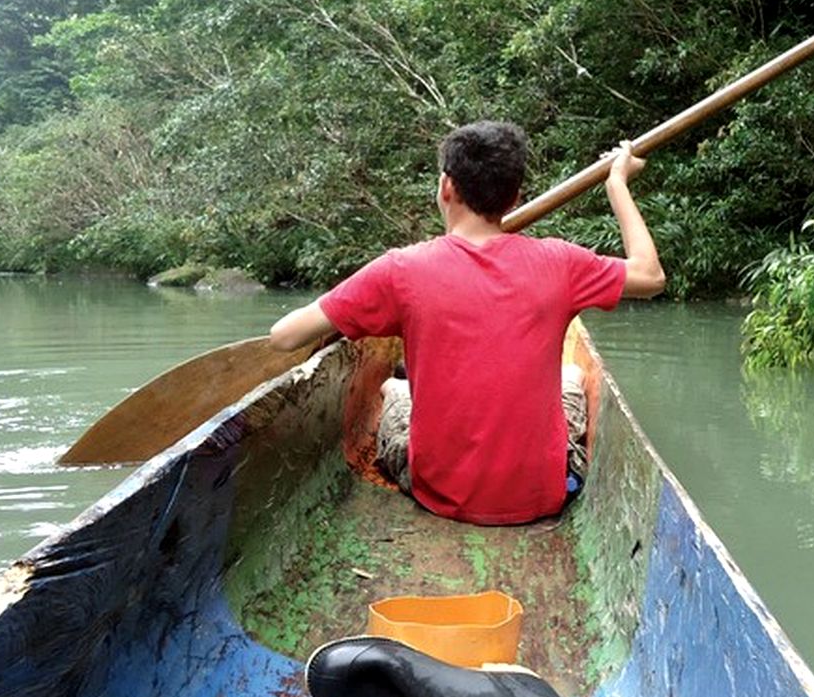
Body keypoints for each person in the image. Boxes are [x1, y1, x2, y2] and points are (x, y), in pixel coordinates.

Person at [269, 121, 664, 525]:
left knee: (395, 391)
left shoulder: (401, 269)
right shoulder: (561, 262)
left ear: (445, 187)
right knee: (571, 379)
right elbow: (651, 277)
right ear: (515, 197)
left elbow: (284, 337)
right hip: (543, 494)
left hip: (440, 494)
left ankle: (393, 386)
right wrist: (617, 183)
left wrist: (342, 312)